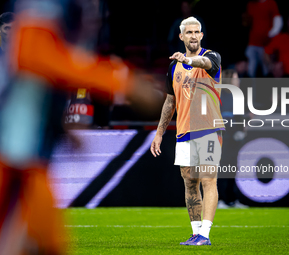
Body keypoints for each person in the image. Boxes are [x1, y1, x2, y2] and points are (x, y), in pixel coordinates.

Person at [0, 0, 141, 253]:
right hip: (14, 152)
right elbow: (32, 56)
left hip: (26, 156)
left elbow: (38, 81)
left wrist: (61, 127)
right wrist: (120, 81)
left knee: (44, 244)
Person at [151, 16, 224, 246]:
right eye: (189, 32)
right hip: (183, 131)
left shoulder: (212, 57)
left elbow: (204, 64)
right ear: (181, 36)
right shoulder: (173, 67)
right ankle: (195, 232)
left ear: (202, 35)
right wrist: (160, 132)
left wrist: (190, 61)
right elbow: (169, 103)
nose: (194, 35)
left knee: (208, 180)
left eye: (197, 32)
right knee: (189, 182)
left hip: (208, 128)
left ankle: (205, 234)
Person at [217, 69, 248, 209]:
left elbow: (241, 118)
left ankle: (232, 199)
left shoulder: (239, 97)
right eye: (236, 78)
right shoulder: (221, 96)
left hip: (234, 139)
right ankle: (222, 199)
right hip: (223, 138)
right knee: (222, 169)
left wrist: (242, 131)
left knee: (233, 169)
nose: (238, 81)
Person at [243, 0, 283, 77]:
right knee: (250, 69)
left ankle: (267, 88)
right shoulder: (250, 4)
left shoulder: (271, 3)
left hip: (265, 45)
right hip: (252, 43)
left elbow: (278, 21)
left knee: (266, 70)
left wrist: (270, 35)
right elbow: (247, 22)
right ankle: (248, 88)